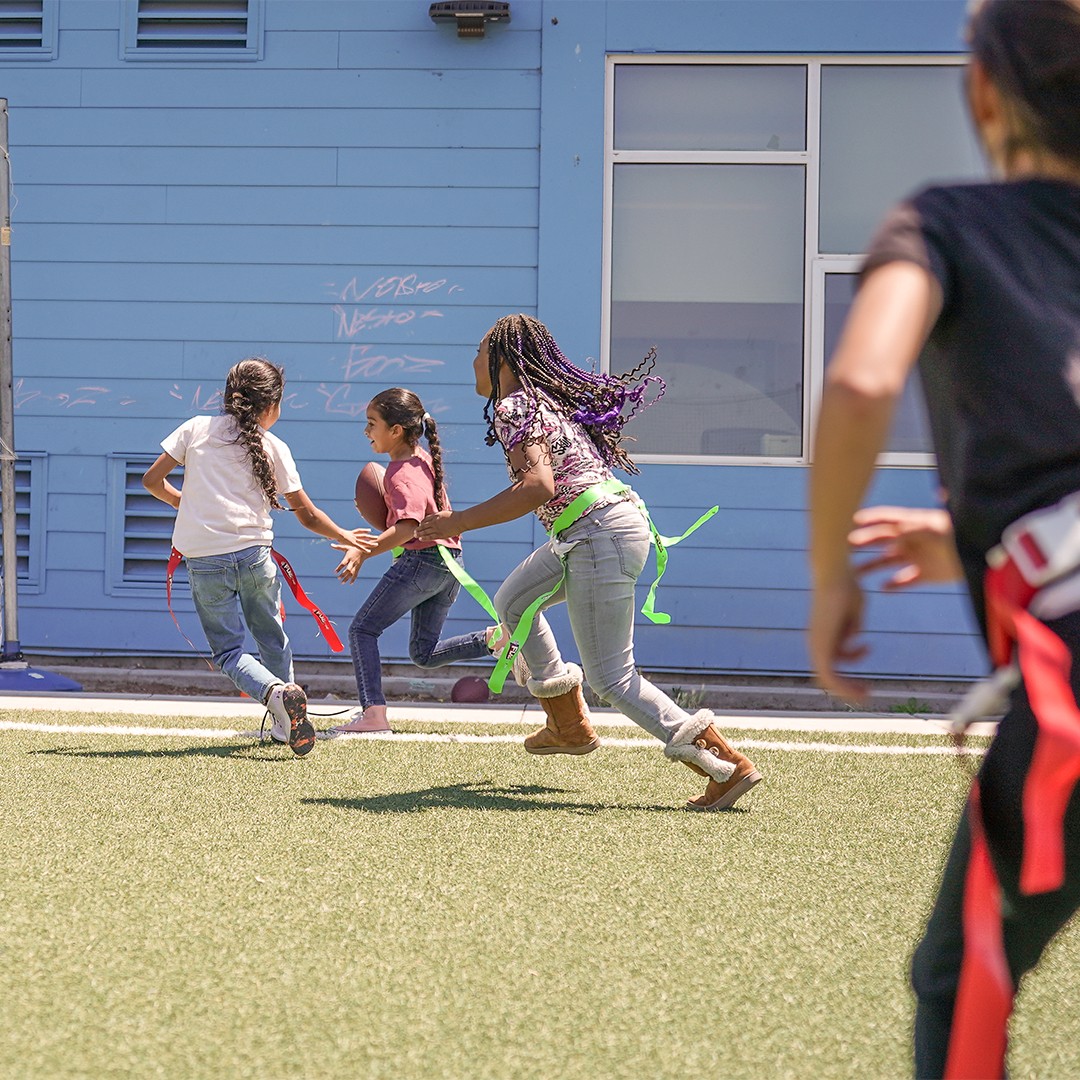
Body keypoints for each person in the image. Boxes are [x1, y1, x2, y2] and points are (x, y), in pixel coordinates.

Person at [807, 2, 1080, 1074]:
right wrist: (978, 536)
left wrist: (832, 574)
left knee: (962, 979)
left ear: (982, 90)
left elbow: (862, 379)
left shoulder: (947, 222)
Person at [415, 313, 762, 811]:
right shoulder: (541, 402)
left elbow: (537, 487)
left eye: (479, 350)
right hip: (596, 530)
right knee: (514, 601)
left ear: (504, 360)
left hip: (595, 535)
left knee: (612, 678)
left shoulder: (514, 406)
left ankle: (725, 766)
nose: (472, 360)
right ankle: (568, 724)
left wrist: (458, 522)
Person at [142, 357, 373, 756]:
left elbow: (151, 480)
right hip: (255, 557)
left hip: (204, 559)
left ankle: (275, 696)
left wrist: (187, 504)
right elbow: (308, 514)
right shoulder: (275, 447)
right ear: (272, 407)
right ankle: (286, 722)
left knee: (229, 652)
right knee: (273, 638)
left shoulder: (195, 428)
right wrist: (344, 534)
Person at [330, 388, 503, 734]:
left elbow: (406, 527)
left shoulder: (400, 473)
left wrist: (365, 549)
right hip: (450, 563)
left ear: (396, 430)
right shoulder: (422, 459)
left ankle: (374, 715)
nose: (366, 432)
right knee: (423, 653)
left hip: (423, 561)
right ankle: (493, 640)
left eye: (372, 424)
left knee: (362, 629)